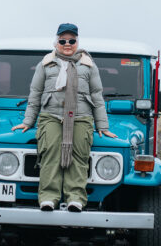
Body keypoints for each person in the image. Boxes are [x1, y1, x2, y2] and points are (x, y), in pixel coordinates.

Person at [11, 23, 116, 212]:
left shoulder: (88, 65)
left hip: (81, 117)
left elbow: (97, 95)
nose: (67, 44)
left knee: (79, 157)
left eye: (72, 40)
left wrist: (103, 126)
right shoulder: (46, 63)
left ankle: (75, 198)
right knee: (50, 154)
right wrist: (28, 121)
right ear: (56, 42)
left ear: (77, 42)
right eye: (63, 40)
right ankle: (48, 198)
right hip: (51, 116)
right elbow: (35, 93)